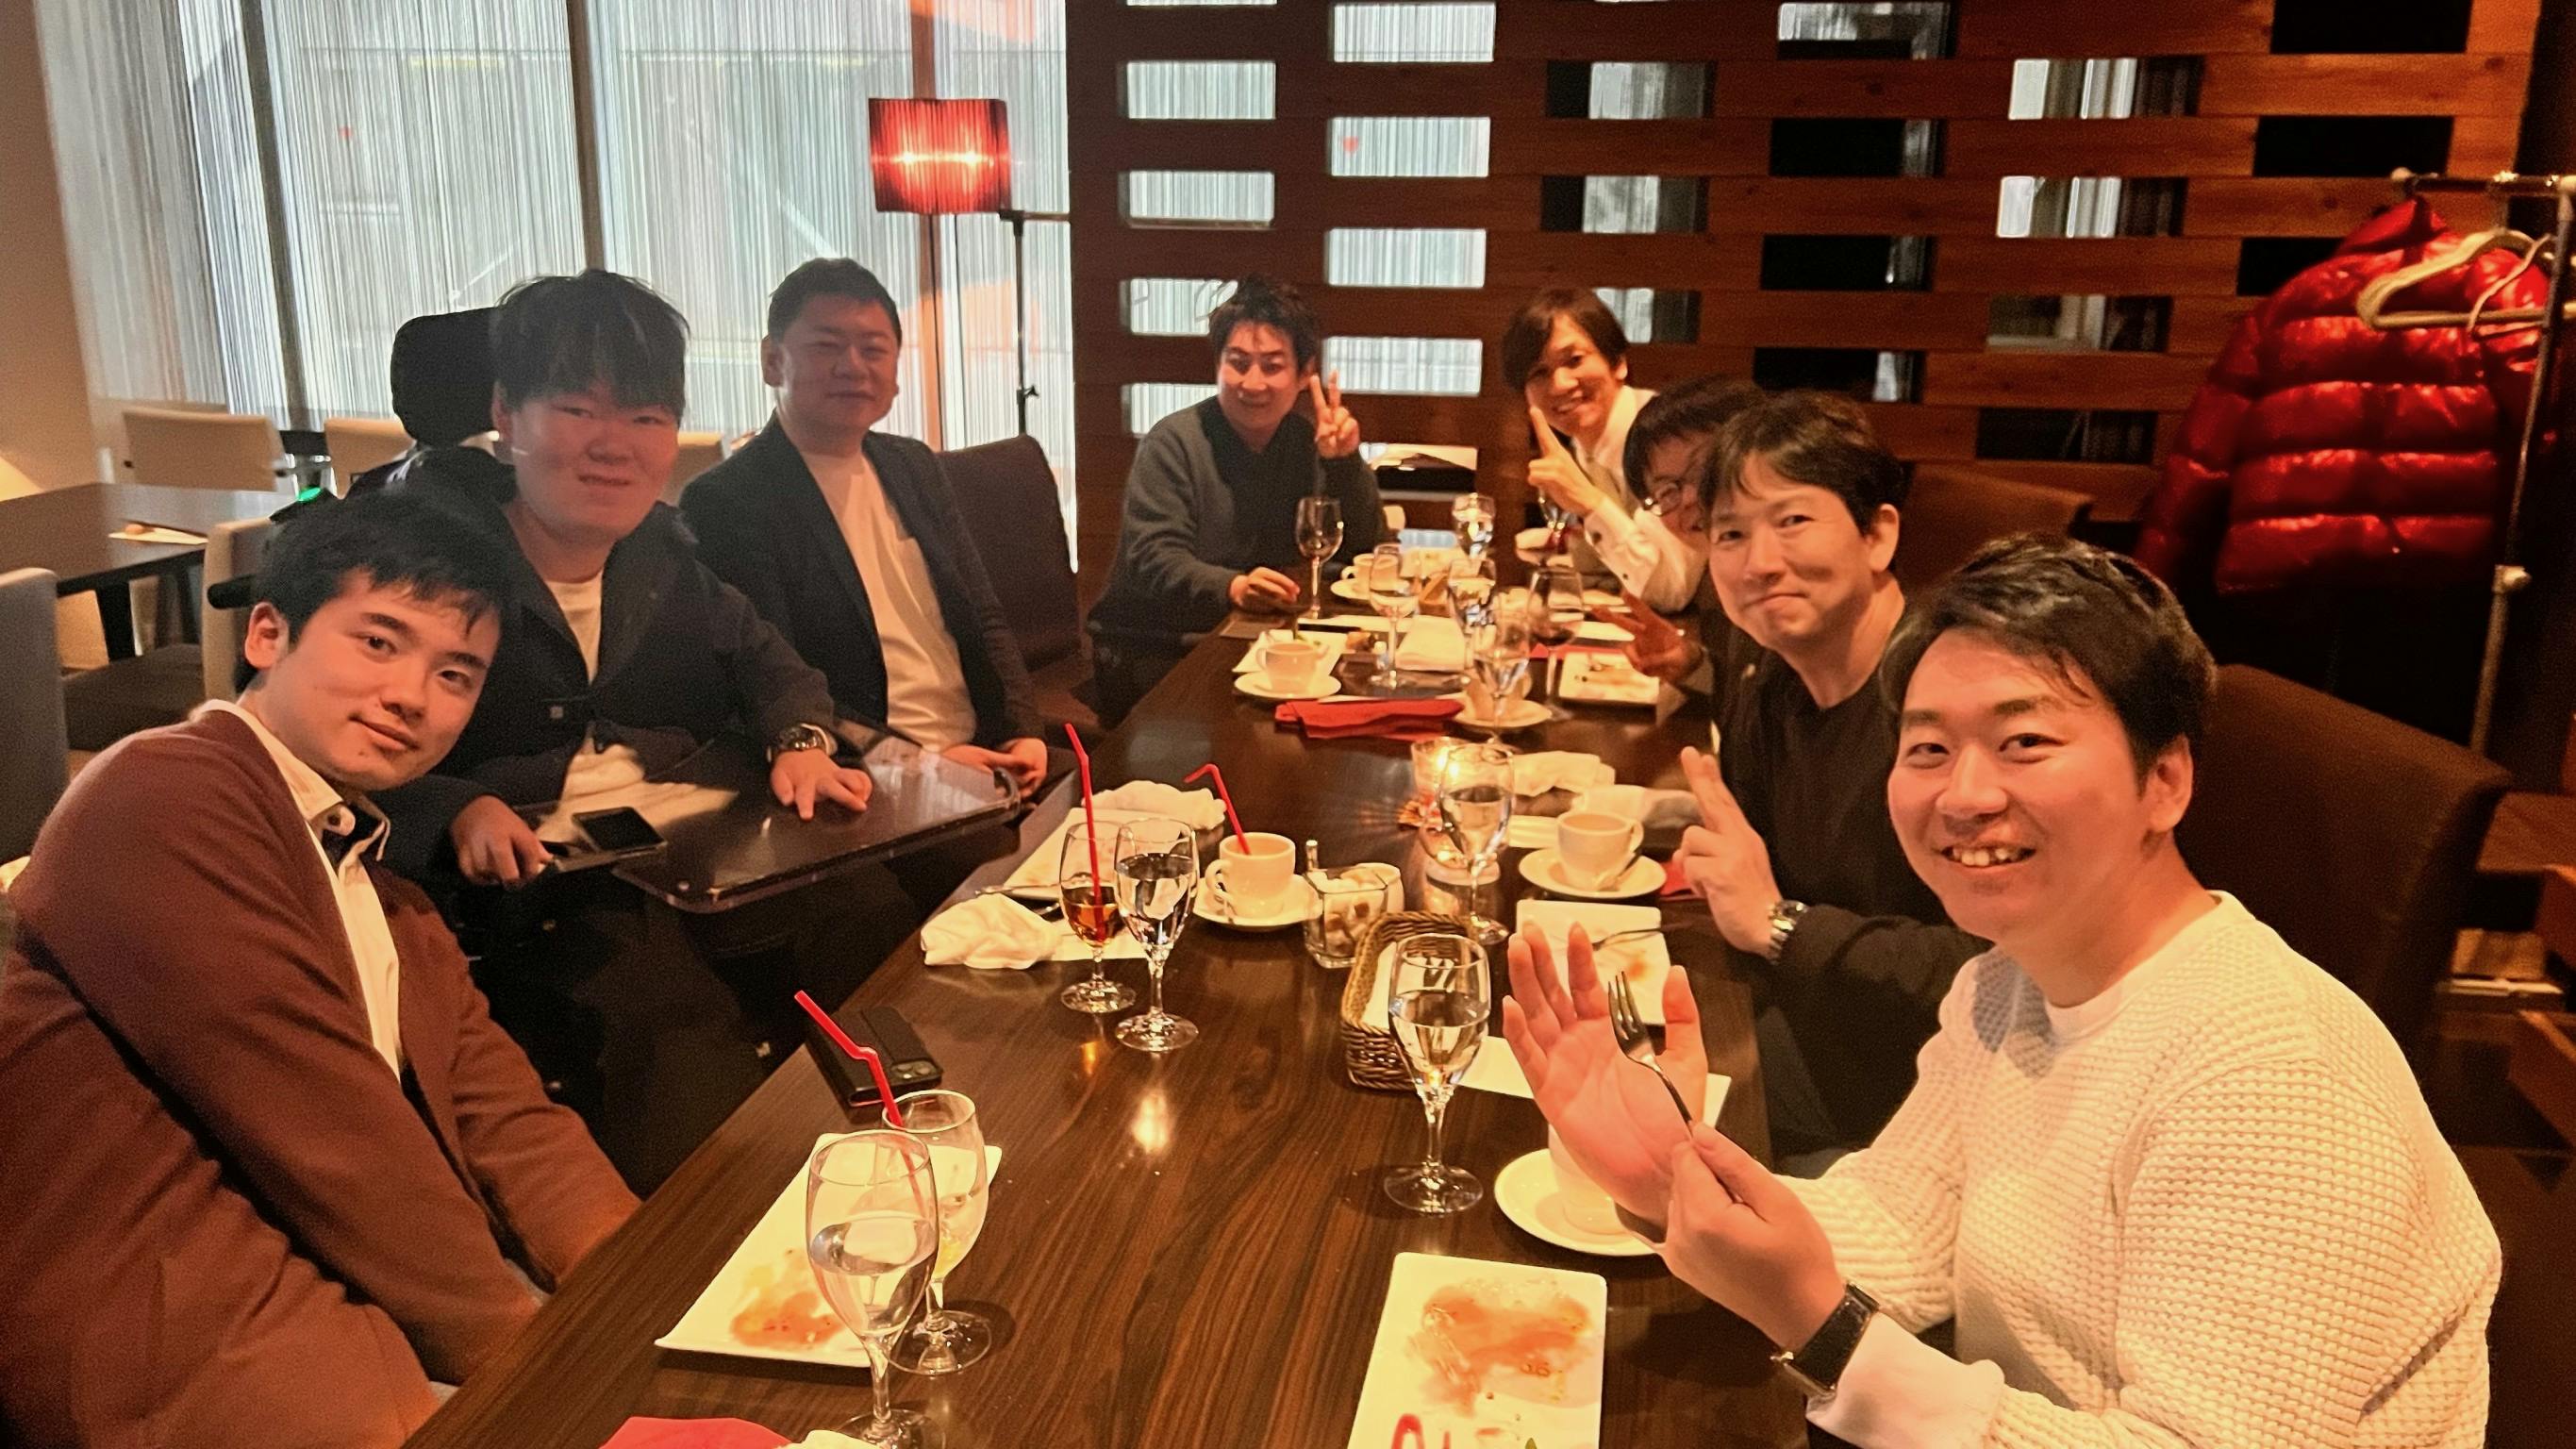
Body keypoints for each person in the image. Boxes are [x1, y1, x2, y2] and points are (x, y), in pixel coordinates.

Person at [1506, 535, 2500, 1446]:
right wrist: (1672, 1182)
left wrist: (1824, 1330)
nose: (1965, 794)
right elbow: (1905, 1221)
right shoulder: (2006, 982)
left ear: (2164, 781)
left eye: (2023, 742)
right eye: (1928, 749)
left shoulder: (2270, 1083)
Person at [0, 491, 636, 1447]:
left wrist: (654, 1293)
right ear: (268, 633)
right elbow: (337, 1145)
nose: (413, 696)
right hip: (180, 1335)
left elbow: (501, 1110)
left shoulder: (368, 871)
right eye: (378, 642)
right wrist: (566, 1379)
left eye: (454, 673)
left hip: (316, 1301)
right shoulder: (163, 797)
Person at [377, 268, 886, 1191]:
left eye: (647, 417)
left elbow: (772, 666)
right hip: (537, 891)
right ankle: (715, 1234)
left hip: (681, 845)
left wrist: (803, 743)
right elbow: (328, 756)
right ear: (507, 414)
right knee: (670, 1025)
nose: (614, 446)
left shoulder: (660, 553)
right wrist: (455, 808)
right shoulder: (423, 565)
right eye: (577, 410)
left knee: (868, 911)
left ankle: (888, 1165)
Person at [1668, 390, 1985, 1163]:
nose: (1758, 563)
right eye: (1730, 534)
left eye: (1792, 520)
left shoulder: (1953, 710)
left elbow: (2004, 969)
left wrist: (1781, 926)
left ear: (1877, 534)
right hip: (1817, 1029)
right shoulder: (1772, 684)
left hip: (1927, 1101)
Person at [683, 258, 1049, 799]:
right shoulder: (729, 500)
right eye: (827, 346)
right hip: (866, 776)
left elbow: (982, 612)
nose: (853, 367)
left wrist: (1023, 730)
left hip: (987, 755)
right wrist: (923, 765)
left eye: (874, 350)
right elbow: (770, 679)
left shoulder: (913, 465)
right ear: (772, 361)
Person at [1085, 274, 1384, 721]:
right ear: (1218, 365)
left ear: (1305, 374)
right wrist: (1234, 587)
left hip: (1253, 640)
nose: (1252, 382)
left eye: (1272, 365)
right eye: (1238, 363)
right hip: (1154, 647)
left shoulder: (1304, 441)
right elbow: (1153, 557)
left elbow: (1365, 550)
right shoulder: (1174, 443)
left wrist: (1344, 463)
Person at [1507, 290, 1696, 610]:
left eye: (1574, 360)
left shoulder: (1665, 439)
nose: (1560, 384)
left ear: (1618, 363)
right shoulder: (1585, 444)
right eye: (1539, 373)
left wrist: (1588, 501)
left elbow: (1670, 591)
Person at [1586, 375, 1766, 690]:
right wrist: (1692, 665)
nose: (1690, 498)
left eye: (1705, 469)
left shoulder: (1799, 591)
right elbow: (1754, 692)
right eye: (1667, 491)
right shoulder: (1727, 586)